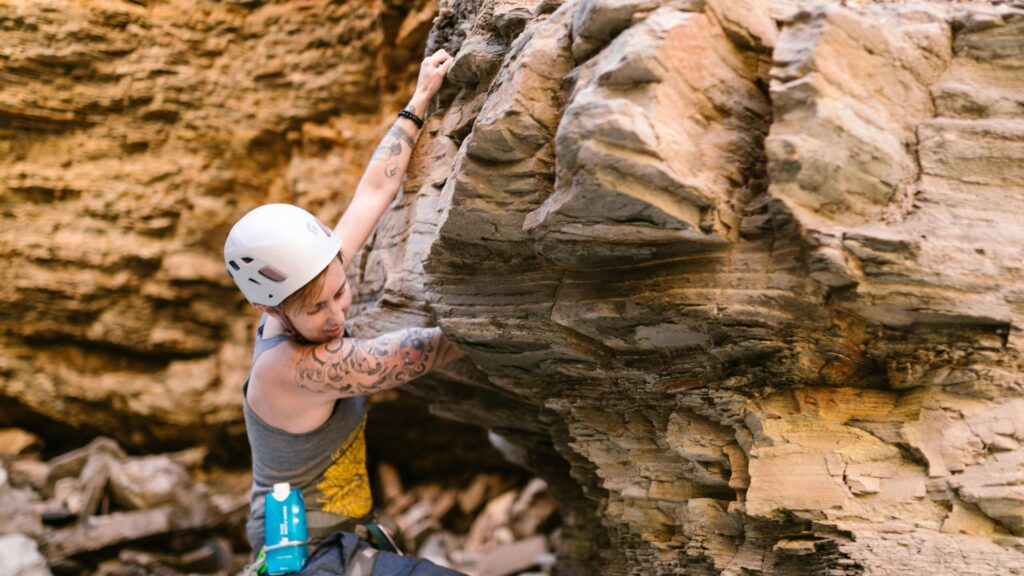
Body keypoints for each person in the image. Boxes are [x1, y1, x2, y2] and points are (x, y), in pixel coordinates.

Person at [224, 49, 466, 575]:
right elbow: (414, 353)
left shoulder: (310, 276)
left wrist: (419, 98)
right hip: (305, 559)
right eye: (318, 309)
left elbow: (373, 192)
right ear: (269, 307)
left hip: (342, 541)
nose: (336, 314)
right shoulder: (286, 369)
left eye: (341, 289)